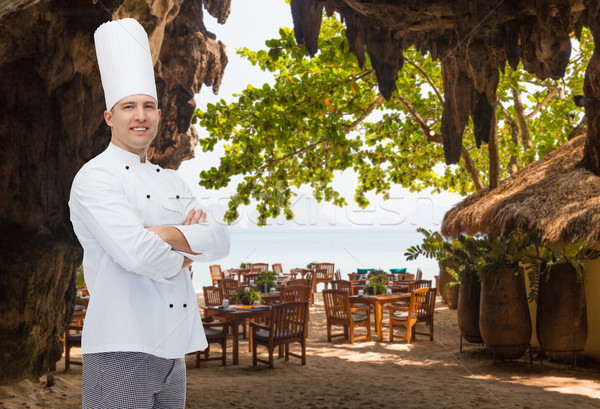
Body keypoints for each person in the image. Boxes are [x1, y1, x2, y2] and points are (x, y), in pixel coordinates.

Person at [69, 18, 229, 409]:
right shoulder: (94, 178)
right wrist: (188, 249)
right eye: (128, 107)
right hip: (119, 348)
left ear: (159, 115)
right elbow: (137, 253)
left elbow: (221, 239)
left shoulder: (172, 180)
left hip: (174, 349)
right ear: (110, 117)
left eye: (148, 106)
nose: (139, 115)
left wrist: (165, 234)